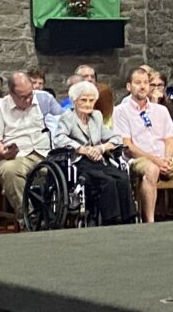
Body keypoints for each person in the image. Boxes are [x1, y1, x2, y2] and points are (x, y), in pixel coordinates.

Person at [112, 68, 173, 222]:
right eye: (138, 83)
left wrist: (167, 159)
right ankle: (150, 221)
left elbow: (170, 140)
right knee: (152, 169)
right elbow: (127, 145)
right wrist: (156, 160)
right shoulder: (121, 111)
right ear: (129, 87)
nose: (143, 87)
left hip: (165, 158)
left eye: (145, 83)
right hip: (139, 159)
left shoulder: (161, 110)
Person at [54, 81, 134, 225]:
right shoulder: (68, 117)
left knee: (121, 177)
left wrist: (101, 148)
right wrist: (82, 149)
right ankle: (111, 219)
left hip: (98, 159)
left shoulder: (96, 116)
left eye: (91, 100)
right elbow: (59, 138)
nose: (88, 104)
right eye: (83, 100)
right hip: (78, 162)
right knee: (106, 181)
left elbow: (115, 138)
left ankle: (128, 218)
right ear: (74, 101)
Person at [0, 72, 52, 225]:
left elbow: (62, 122)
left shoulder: (44, 101)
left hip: (44, 152)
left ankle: (59, 213)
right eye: (23, 97)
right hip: (17, 156)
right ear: (12, 94)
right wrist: (3, 151)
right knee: (10, 170)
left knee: (67, 167)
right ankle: (29, 217)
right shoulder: (0, 108)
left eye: (30, 94)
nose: (28, 99)